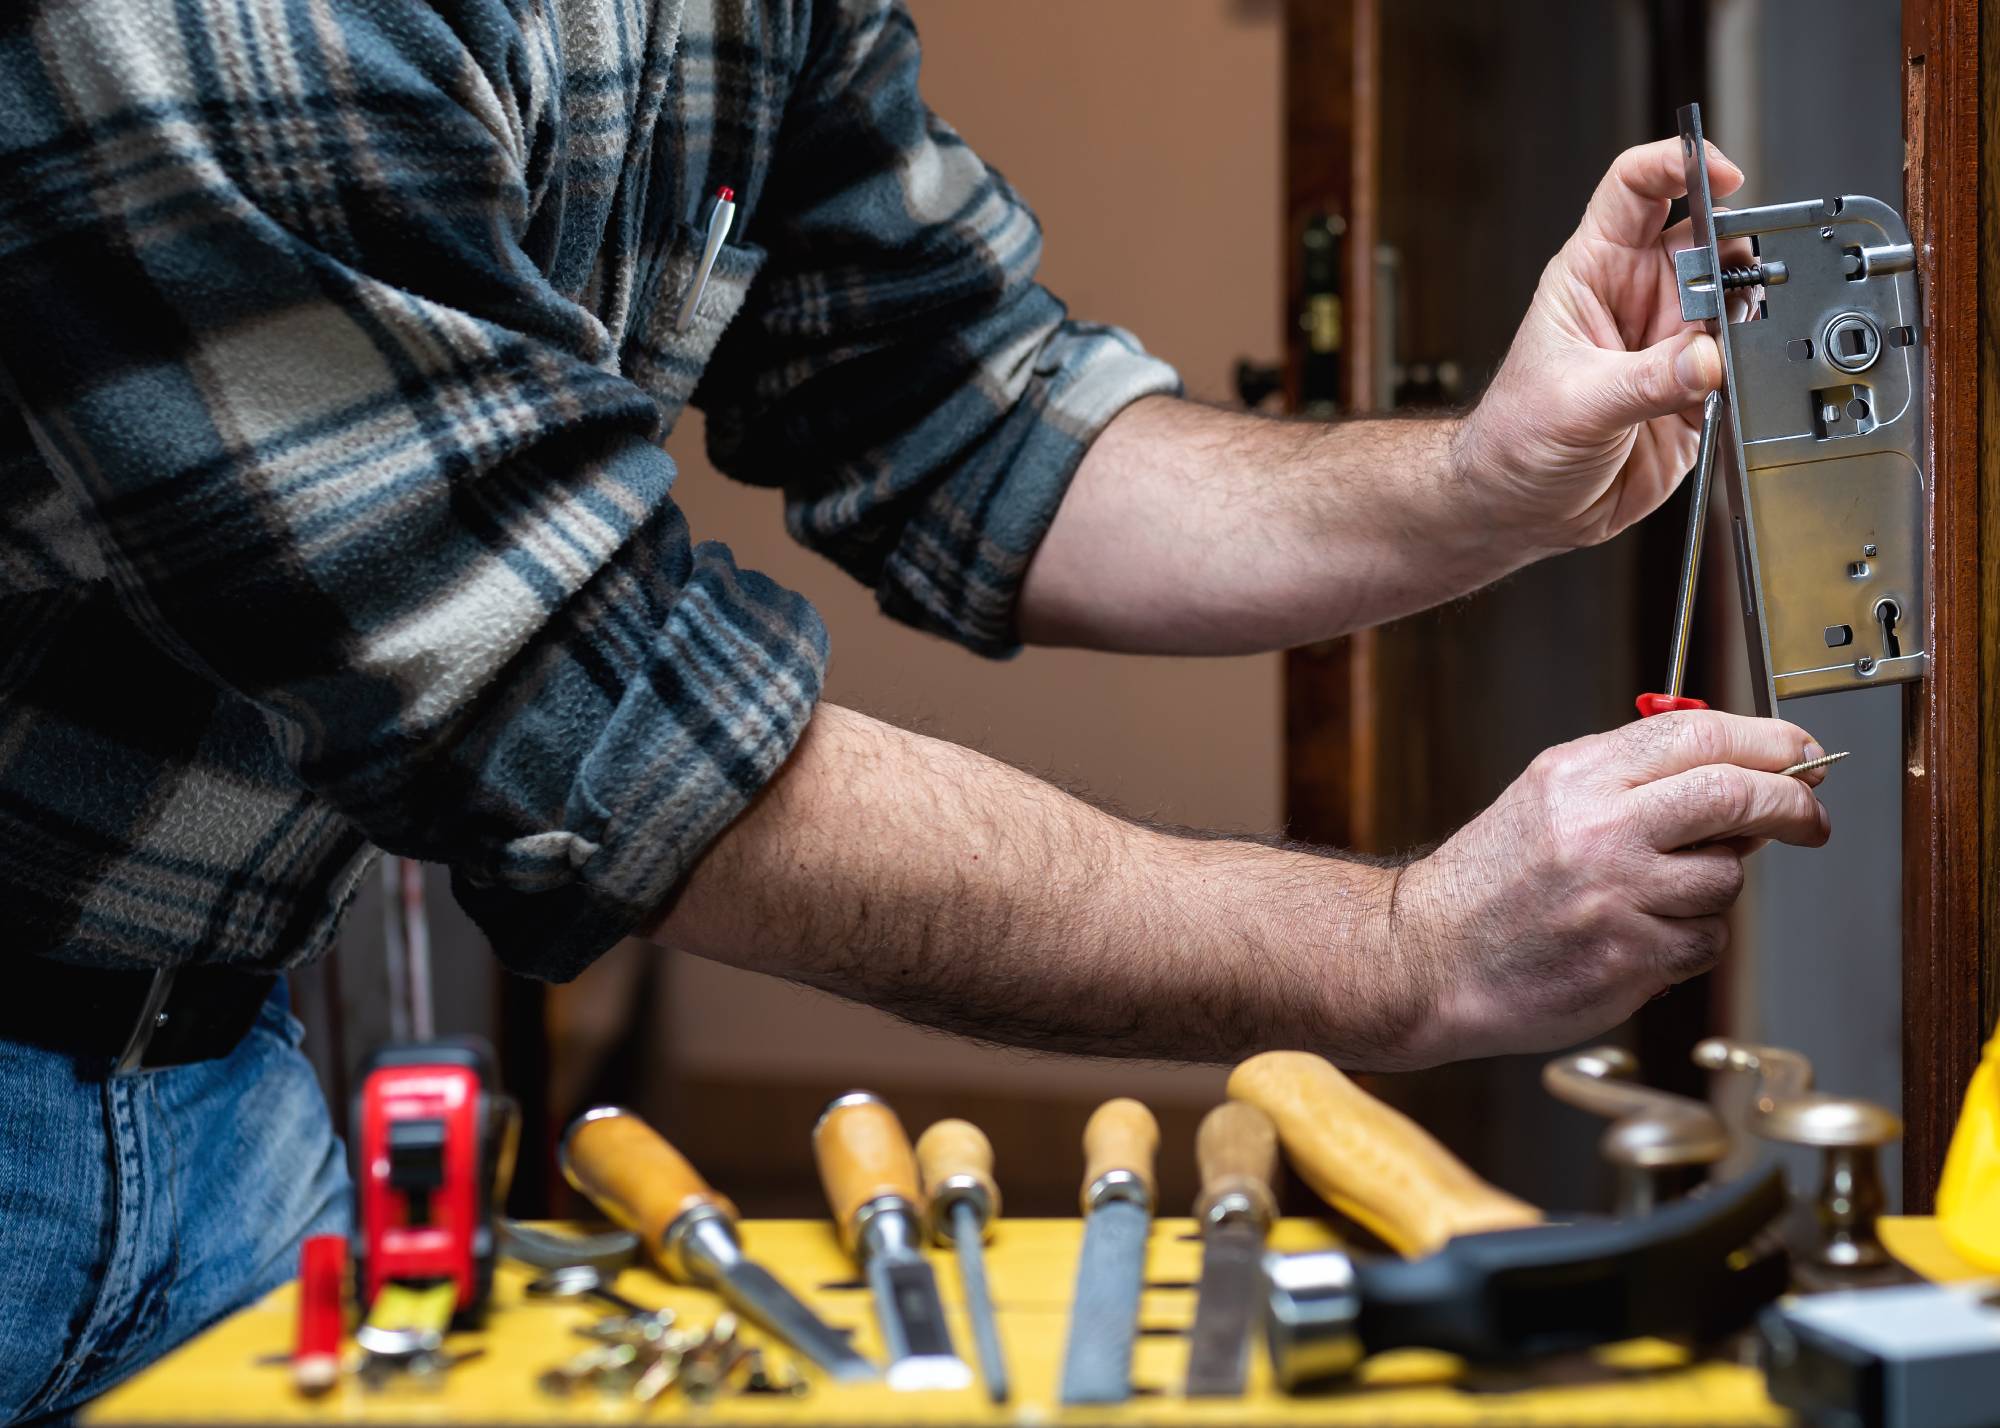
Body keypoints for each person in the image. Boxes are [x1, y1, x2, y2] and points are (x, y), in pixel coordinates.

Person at [0, 0, 1828, 1416]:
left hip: (223, 1078)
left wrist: (1481, 483)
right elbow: (596, 722)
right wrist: (1411, 947)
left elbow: (963, 400)